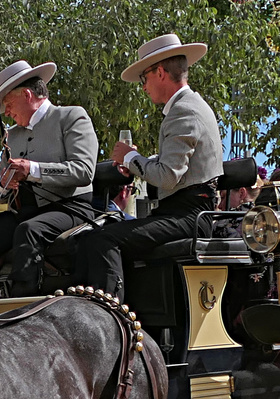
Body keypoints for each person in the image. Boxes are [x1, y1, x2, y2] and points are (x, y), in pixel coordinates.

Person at [79, 34, 223, 299]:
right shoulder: (187, 106)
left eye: (143, 78)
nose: (143, 87)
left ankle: (110, 319)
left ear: (159, 73)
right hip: (184, 212)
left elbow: (168, 177)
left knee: (102, 239)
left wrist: (130, 158)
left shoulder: (184, 111)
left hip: (187, 215)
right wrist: (136, 162)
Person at [0, 60, 98, 301]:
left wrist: (32, 169)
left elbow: (83, 171)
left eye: (8, 104)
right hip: (25, 211)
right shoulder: (11, 135)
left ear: (27, 95)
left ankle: (22, 303)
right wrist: (4, 183)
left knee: (28, 231)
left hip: (70, 208)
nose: (6, 112)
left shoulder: (71, 117)